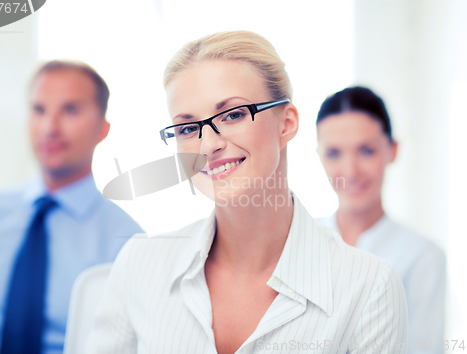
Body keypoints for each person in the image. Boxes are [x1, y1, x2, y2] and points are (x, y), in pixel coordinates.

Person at [87, 31, 407, 353]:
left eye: (233, 115)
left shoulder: (368, 286)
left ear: (287, 123)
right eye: (187, 128)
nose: (209, 145)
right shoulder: (139, 264)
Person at [0, 60, 144, 354]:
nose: (50, 127)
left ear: (103, 128)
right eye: (39, 110)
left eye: (71, 110)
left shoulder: (129, 243)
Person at [315, 86, 446, 353]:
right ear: (319, 157)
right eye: (334, 153)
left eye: (366, 151)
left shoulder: (423, 257)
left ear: (392, 150)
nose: (350, 172)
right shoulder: (294, 241)